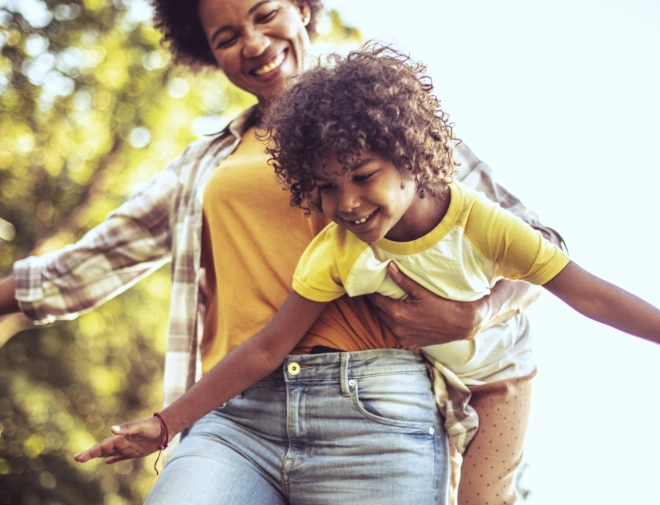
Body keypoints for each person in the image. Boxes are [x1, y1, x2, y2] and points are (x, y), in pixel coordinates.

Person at [0, 1, 562, 504]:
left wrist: (478, 312)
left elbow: (541, 243)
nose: (252, 42)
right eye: (225, 37)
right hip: (232, 412)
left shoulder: (388, 126)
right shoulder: (203, 167)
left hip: (374, 412)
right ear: (210, 55)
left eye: (265, 13)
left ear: (302, 9)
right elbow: (86, 265)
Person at [74, 42, 660, 492]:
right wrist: (167, 422)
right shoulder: (341, 251)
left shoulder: (480, 222)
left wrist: (479, 312)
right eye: (326, 187)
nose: (347, 203)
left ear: (409, 155)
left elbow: (589, 294)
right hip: (355, 398)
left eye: (362, 176)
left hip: (501, 380)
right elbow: (265, 346)